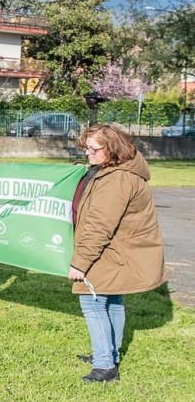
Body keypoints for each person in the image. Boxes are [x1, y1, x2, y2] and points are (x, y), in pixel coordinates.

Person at [68, 124, 164, 382]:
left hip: (111, 252)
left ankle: (105, 366)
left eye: (93, 148)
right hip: (119, 251)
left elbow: (100, 225)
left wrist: (80, 262)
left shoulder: (117, 179)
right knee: (111, 301)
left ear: (111, 149)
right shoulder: (112, 170)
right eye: (85, 147)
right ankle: (109, 353)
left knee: (92, 301)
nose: (87, 152)